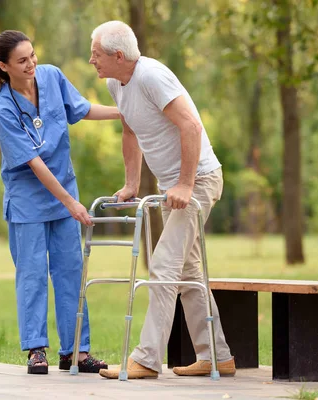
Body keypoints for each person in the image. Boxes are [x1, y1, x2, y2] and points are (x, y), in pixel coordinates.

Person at [87, 21, 236, 379]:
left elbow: (191, 126)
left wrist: (185, 185)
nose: (91, 60)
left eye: (96, 53)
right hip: (175, 186)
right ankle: (217, 356)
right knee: (186, 272)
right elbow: (129, 128)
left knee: (164, 265)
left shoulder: (152, 77)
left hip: (198, 180)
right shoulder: (115, 82)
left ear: (118, 55)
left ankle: (146, 360)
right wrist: (131, 183)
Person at [0, 30, 119, 375]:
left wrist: (123, 113)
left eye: (32, 55)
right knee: (32, 276)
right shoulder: (4, 108)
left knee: (71, 273)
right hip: (29, 202)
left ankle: (76, 351)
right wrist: (71, 203)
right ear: (4, 67)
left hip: (64, 197)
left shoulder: (52, 76)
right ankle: (35, 350)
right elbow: (34, 163)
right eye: (21, 61)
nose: (31, 64)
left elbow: (82, 109)